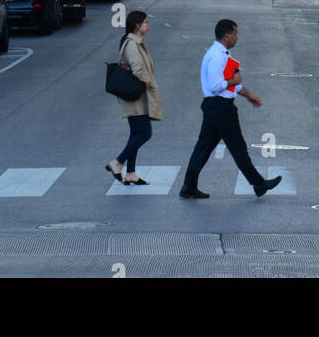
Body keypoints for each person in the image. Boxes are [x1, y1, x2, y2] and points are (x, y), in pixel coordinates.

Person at [179, 19, 282, 199]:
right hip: (220, 107)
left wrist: (249, 95)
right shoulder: (217, 56)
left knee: (203, 148)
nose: (237, 37)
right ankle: (258, 184)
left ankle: (189, 185)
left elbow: (231, 86)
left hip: (215, 106)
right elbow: (217, 85)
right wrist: (235, 81)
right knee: (237, 147)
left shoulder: (221, 54)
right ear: (226, 36)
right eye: (235, 33)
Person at [105, 10, 161, 186]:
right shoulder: (132, 45)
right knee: (144, 133)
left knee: (136, 134)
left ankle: (130, 173)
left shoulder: (134, 42)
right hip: (136, 96)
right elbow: (138, 69)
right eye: (145, 22)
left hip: (136, 96)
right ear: (137, 25)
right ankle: (118, 162)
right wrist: (148, 82)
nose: (147, 25)